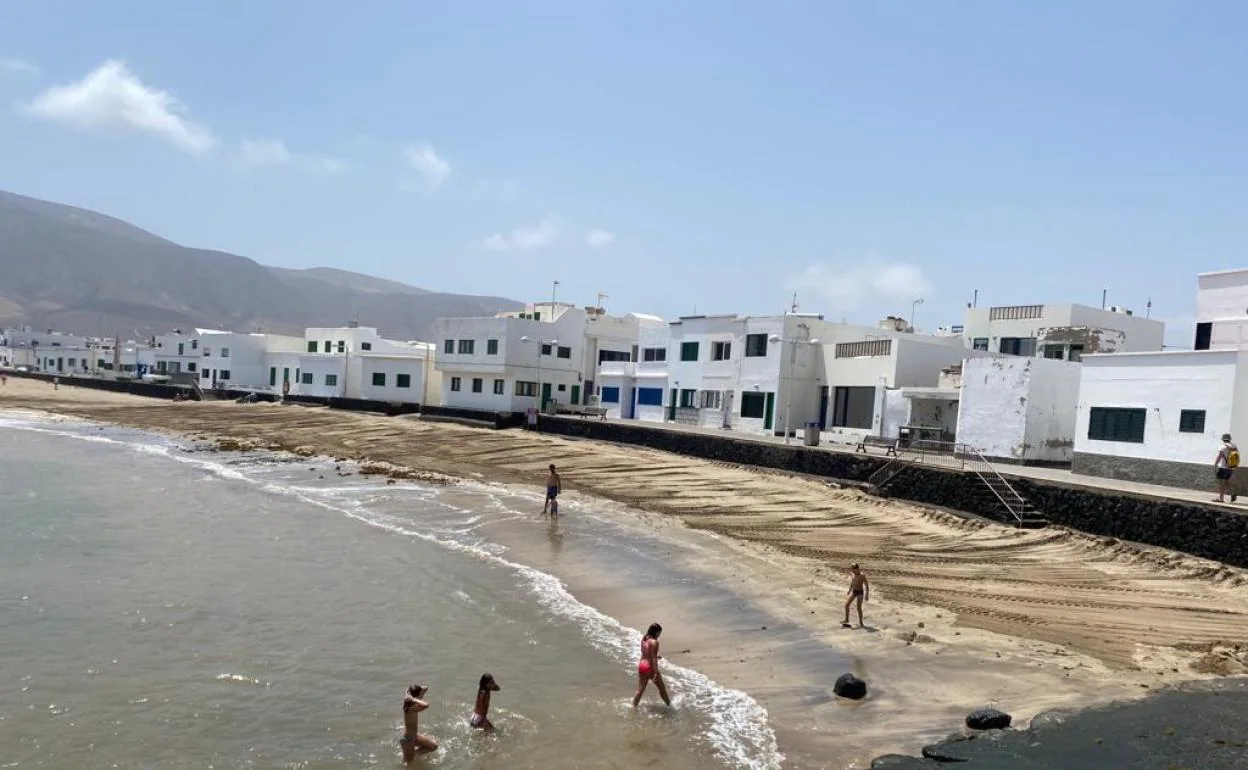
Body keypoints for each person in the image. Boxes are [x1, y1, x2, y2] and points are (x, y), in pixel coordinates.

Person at [633, 622, 672, 708]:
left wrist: (655, 656)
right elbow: (653, 658)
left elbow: (645, 652)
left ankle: (633, 707)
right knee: (662, 688)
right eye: (659, 633)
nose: (659, 635)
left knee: (640, 690)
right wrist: (655, 672)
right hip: (650, 667)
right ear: (656, 632)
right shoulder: (655, 642)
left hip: (642, 665)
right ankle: (669, 705)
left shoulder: (644, 638)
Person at [400, 683, 438, 763]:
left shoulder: (411, 703)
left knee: (434, 746)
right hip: (409, 740)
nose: (421, 698)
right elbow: (426, 705)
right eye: (420, 696)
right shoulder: (410, 708)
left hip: (414, 736)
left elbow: (425, 688)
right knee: (408, 765)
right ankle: (412, 754)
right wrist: (413, 699)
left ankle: (413, 754)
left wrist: (408, 692)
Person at [842, 564, 870, 628]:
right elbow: (852, 582)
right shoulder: (852, 574)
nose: (853, 571)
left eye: (854, 569)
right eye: (852, 569)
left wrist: (867, 595)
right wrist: (849, 590)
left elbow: (866, 585)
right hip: (854, 592)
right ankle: (846, 619)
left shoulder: (862, 575)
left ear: (857, 569)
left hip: (860, 592)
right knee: (846, 605)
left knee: (858, 608)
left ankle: (861, 622)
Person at [1215, 433, 1240, 503]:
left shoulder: (1223, 447)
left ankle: (1221, 498)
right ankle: (1232, 493)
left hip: (1223, 467)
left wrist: (1215, 464)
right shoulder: (1234, 446)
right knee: (1227, 482)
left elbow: (1219, 456)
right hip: (1231, 467)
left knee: (1221, 483)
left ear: (1223, 439)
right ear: (1229, 439)